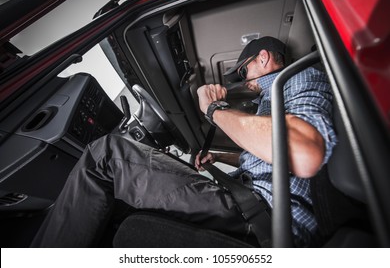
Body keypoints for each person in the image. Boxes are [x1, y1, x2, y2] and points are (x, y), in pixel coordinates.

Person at [31, 36, 336, 248]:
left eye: (244, 71)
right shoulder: (270, 99)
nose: (244, 81)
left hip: (270, 215)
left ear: (264, 57)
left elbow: (301, 152)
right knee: (117, 209)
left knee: (106, 155)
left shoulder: (297, 78)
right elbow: (266, 155)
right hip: (252, 198)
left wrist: (213, 110)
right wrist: (218, 156)